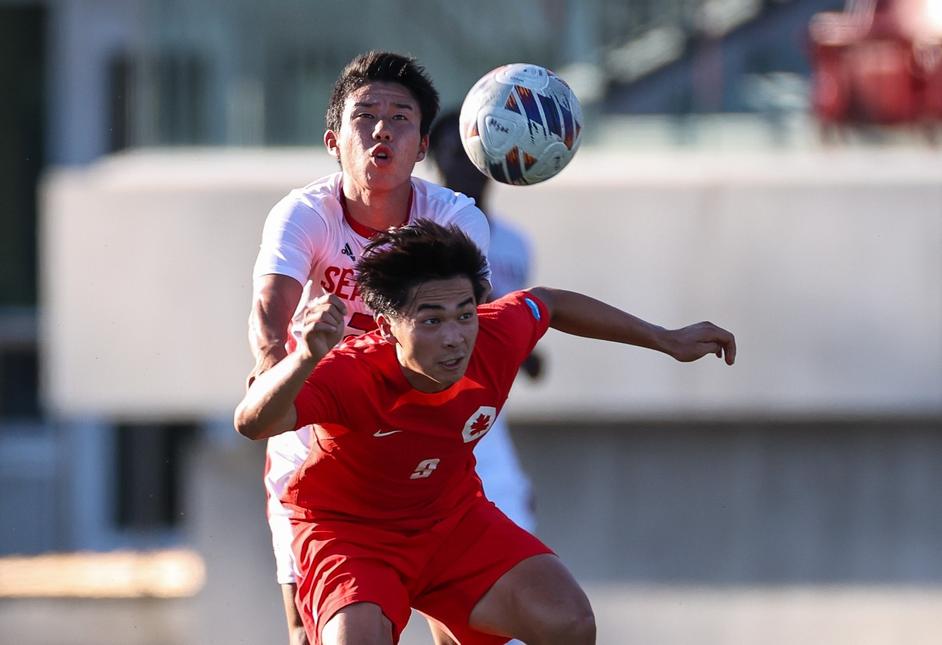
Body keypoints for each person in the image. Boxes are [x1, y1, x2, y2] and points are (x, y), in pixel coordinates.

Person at [235, 220, 737, 645]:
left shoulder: (495, 335)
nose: (454, 337)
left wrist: (665, 338)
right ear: (387, 327)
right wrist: (303, 356)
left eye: (464, 315)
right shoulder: (350, 372)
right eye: (430, 320)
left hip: (451, 520)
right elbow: (252, 423)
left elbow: (550, 303)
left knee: (569, 620)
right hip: (350, 534)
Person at [248, 52, 491, 645]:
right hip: (315, 450)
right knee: (310, 634)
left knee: (456, 619)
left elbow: (473, 331)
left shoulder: (455, 219)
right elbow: (268, 317)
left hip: (414, 438)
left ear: (423, 142)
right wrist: (273, 374)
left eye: (400, 117)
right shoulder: (304, 213)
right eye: (366, 115)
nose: (382, 129)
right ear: (334, 141)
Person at [428, 110, 541, 534]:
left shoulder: (515, 244)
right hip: (429, 413)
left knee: (517, 535)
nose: (462, 164)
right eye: (452, 153)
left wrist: (528, 352)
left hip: (486, 419)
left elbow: (507, 329)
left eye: (472, 154)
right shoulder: (418, 235)